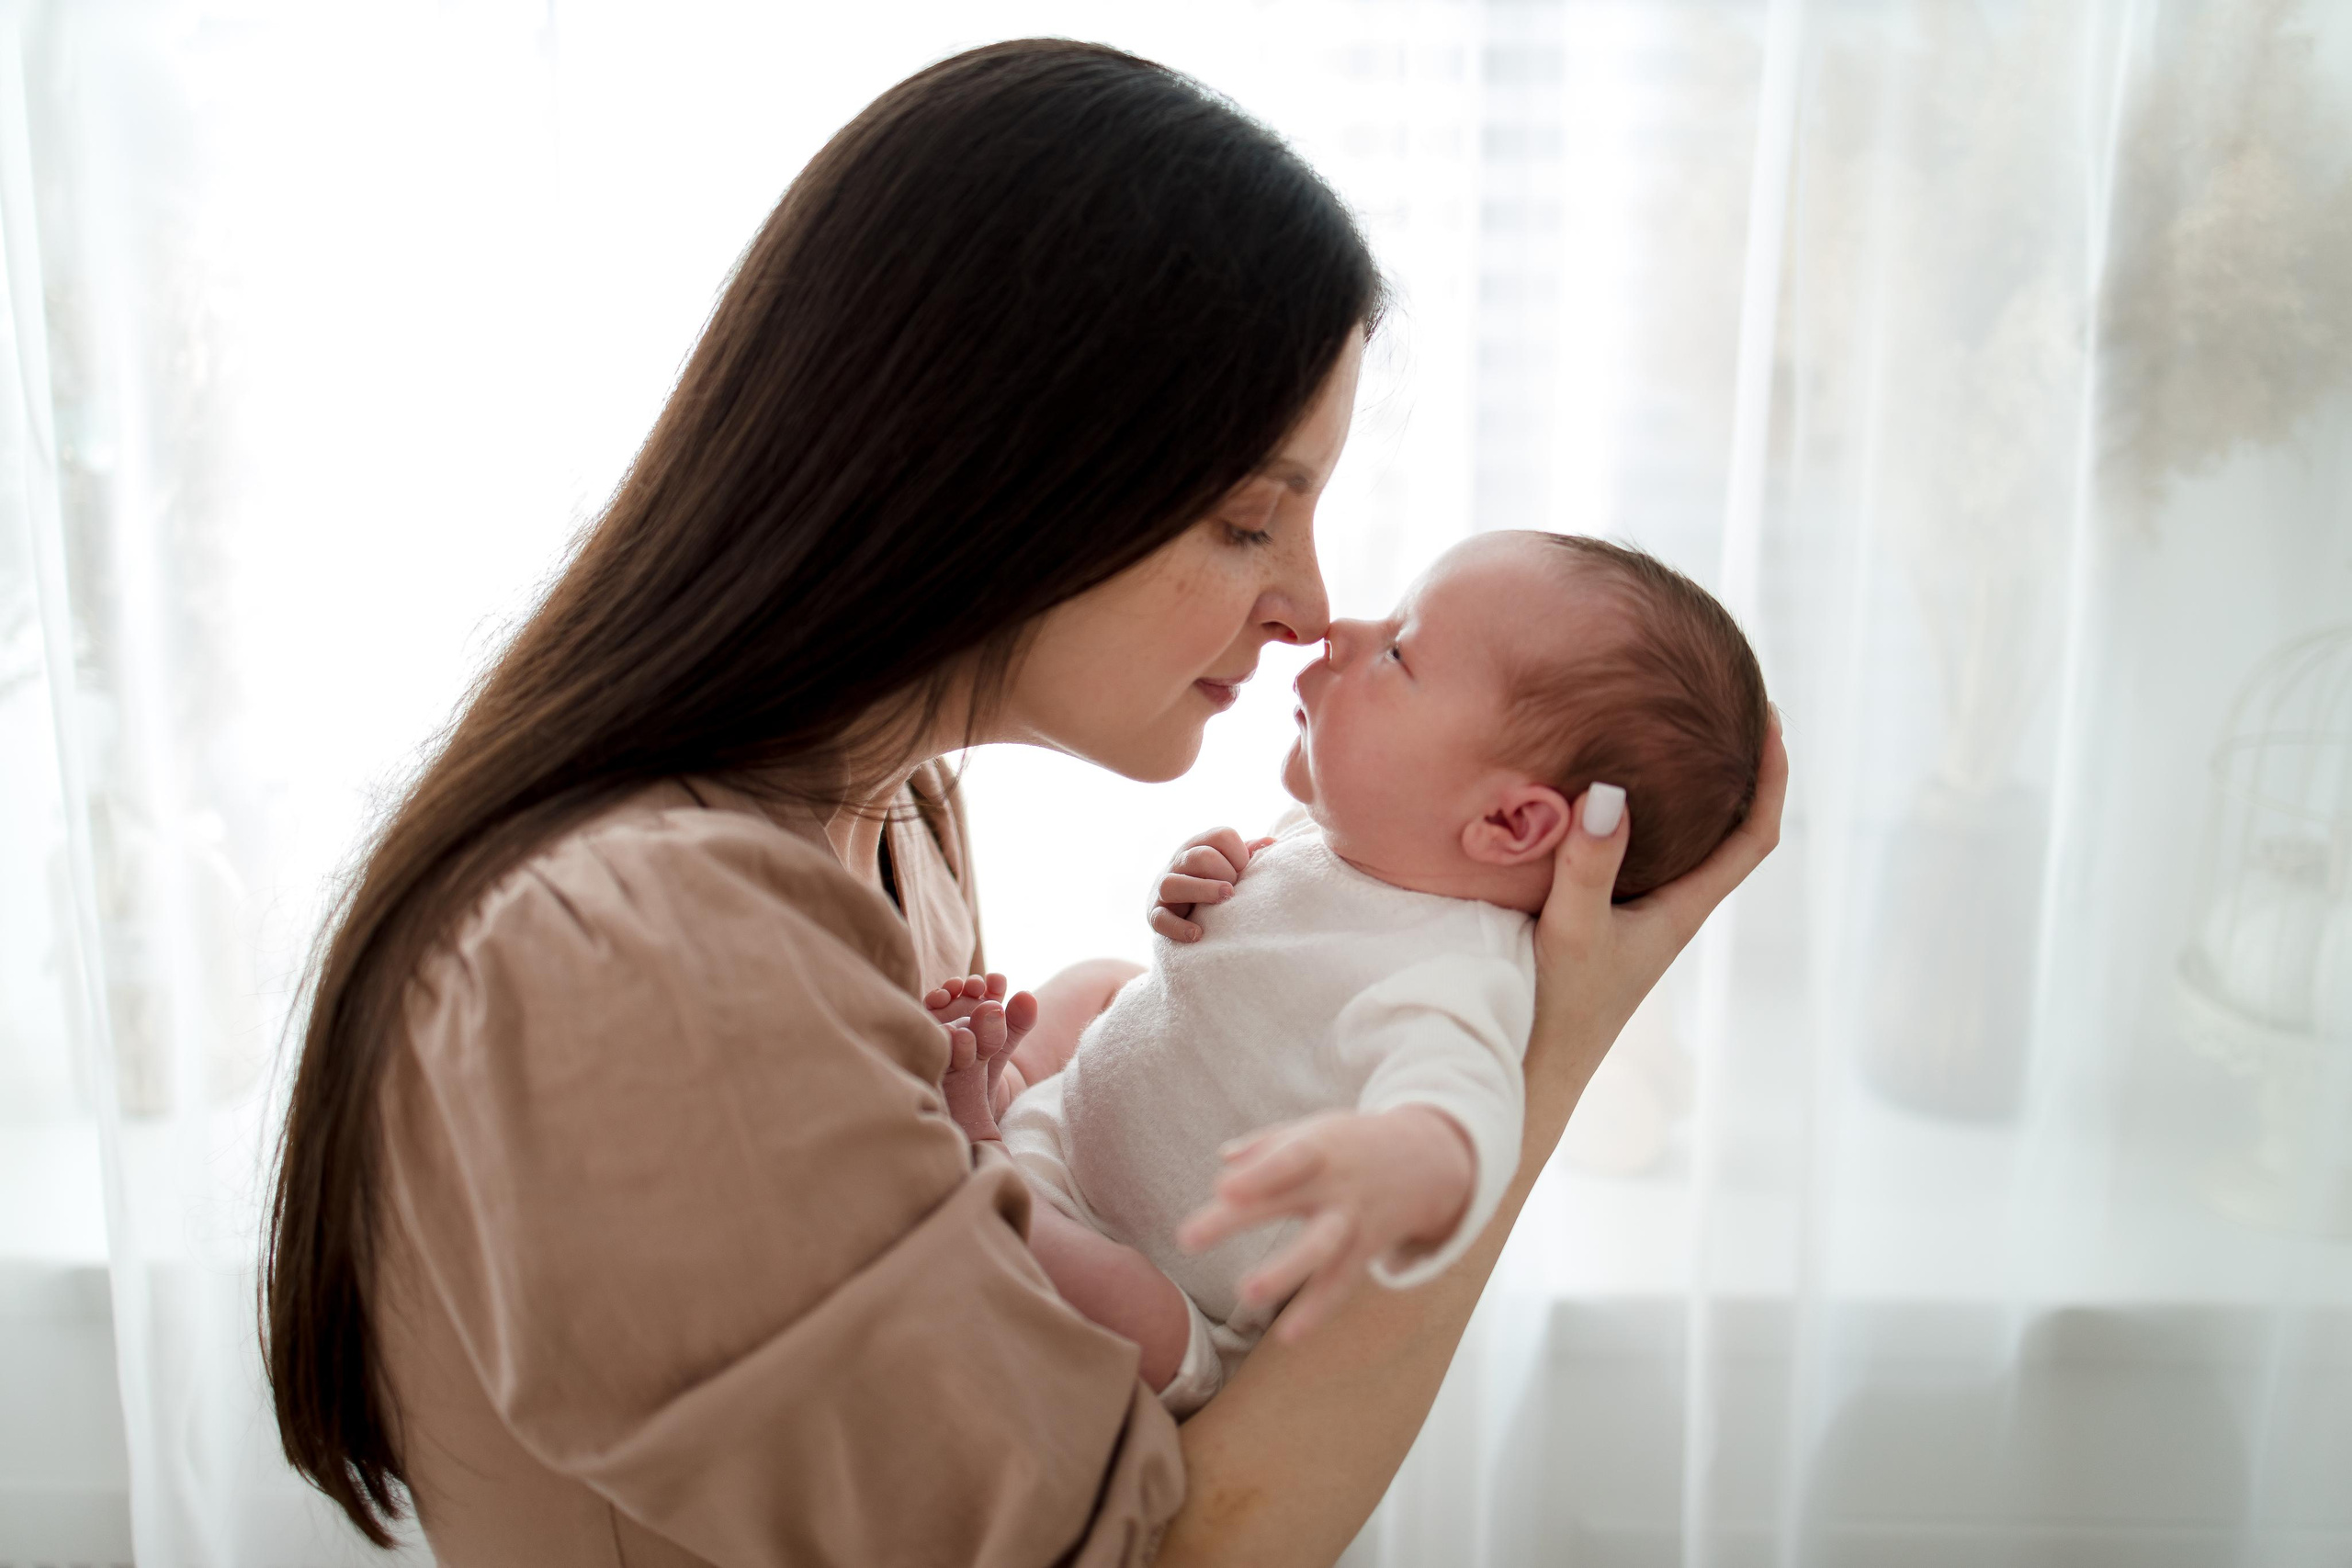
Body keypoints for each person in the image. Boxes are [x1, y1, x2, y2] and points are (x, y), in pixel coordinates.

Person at [263, 39, 1786, 1568]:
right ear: (995, 468)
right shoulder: (651, 949)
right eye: (1250, 517)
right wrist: (1537, 1064)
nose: (1309, 607)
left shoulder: (889, 813)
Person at [945, 531, 1768, 1416]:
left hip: (1151, 1275)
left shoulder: (1453, 975)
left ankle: (979, 1155)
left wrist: (1403, 1155)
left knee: (1135, 1319)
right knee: (1090, 985)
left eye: (1399, 650)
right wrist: (1190, 886)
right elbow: (1223, 966)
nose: (1339, 629)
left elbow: (1466, 1107)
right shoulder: (1322, 836)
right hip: (1074, 1125)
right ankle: (1012, 1090)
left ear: (1510, 823)